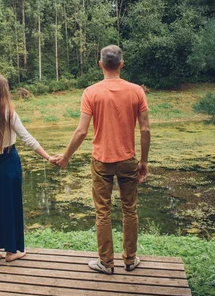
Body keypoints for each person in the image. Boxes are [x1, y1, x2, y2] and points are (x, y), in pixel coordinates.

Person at [51, 45, 150, 274]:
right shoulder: (136, 91)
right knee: (129, 209)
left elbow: (81, 131)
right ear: (121, 64)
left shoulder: (91, 92)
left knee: (103, 211)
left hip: (101, 161)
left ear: (101, 65)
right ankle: (130, 259)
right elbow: (145, 129)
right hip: (128, 160)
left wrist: (66, 157)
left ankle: (106, 263)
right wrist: (143, 162)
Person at [0, 72, 54, 263]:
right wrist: (48, 157)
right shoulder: (9, 113)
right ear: (3, 92)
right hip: (9, 162)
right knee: (10, 205)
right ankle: (12, 251)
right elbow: (27, 139)